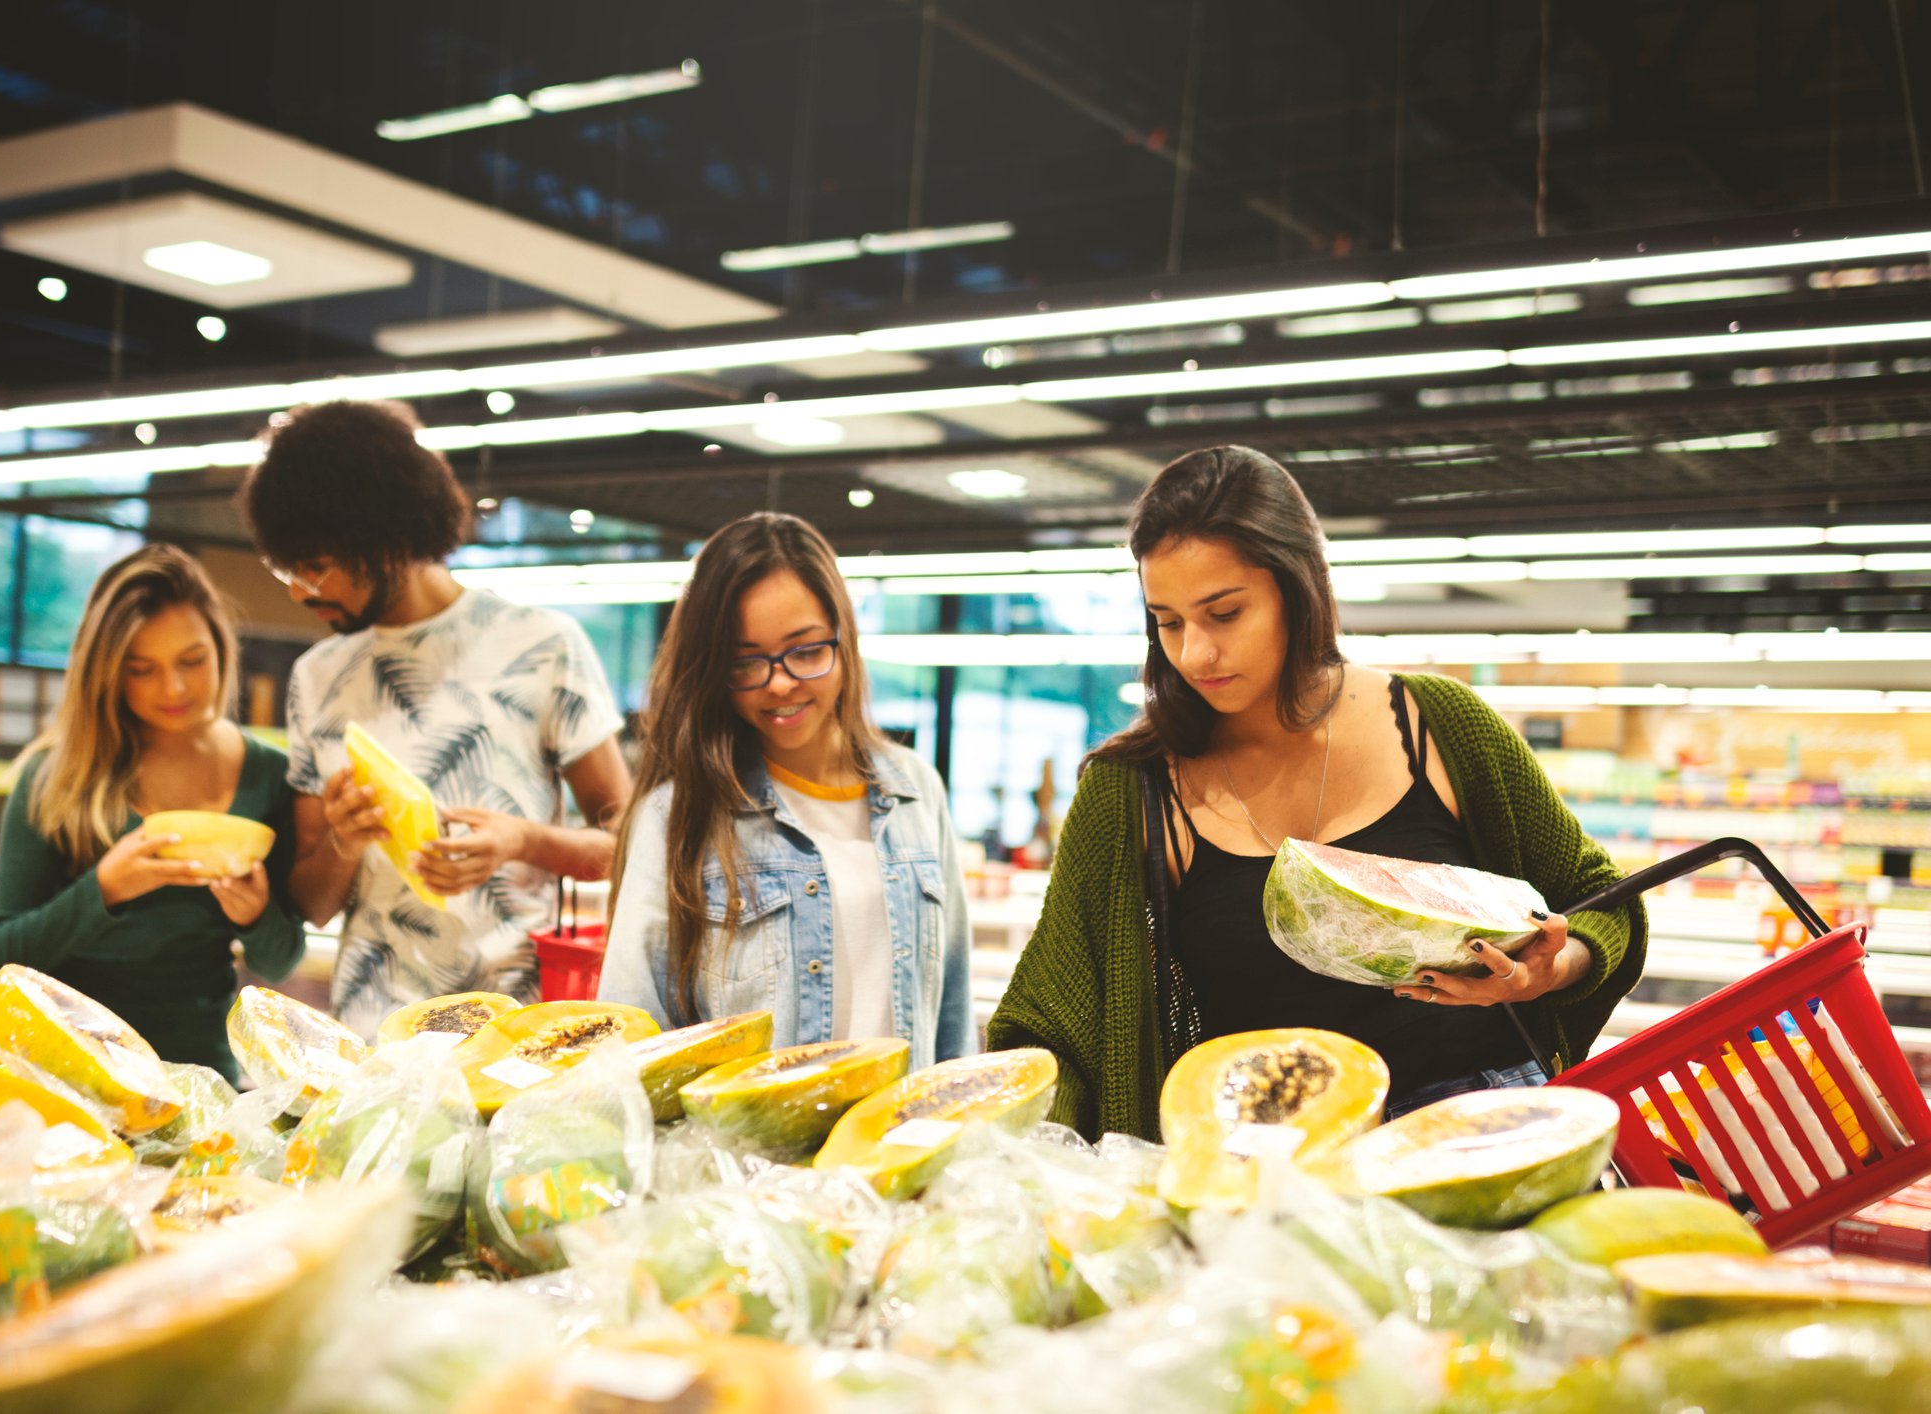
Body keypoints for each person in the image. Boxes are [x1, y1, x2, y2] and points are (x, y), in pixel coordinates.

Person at [987, 446, 1646, 1142]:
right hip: (1268, 1170)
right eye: (1168, 621)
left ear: (1296, 588)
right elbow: (1050, 1018)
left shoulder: (1440, 726)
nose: (1193, 655)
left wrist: (1549, 970)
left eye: (1224, 613)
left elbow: (1599, 900)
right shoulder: (1132, 792)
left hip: (1487, 1133)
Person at [237, 399, 632, 1038]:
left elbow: (628, 847)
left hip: (525, 1041)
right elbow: (312, 904)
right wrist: (345, 840)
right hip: (373, 1042)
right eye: (286, 567)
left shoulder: (543, 646)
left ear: (388, 539)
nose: (298, 591)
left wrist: (523, 841)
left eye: (316, 566)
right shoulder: (316, 675)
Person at [600, 512, 974, 1067]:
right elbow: (633, 1027)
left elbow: (952, 1011)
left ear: (843, 638)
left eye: (804, 651)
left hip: (894, 1143)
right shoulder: (681, 812)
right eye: (746, 661)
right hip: (747, 1152)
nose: (779, 682)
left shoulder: (915, 789)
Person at [0, 546, 302, 1080]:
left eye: (192, 661)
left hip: (201, 1077)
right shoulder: (54, 776)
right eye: (142, 669)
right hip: (65, 1073)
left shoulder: (269, 774)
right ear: (107, 674)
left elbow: (282, 960)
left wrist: (256, 915)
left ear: (221, 648)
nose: (174, 688)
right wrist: (104, 887)